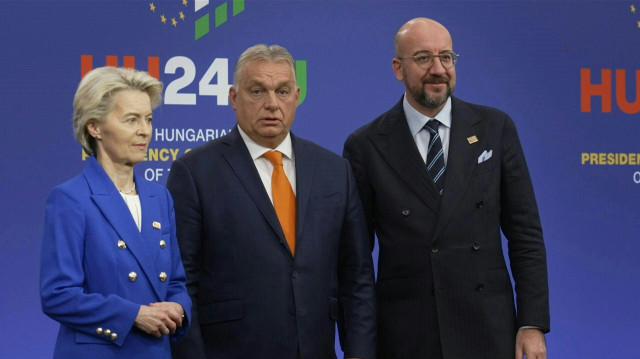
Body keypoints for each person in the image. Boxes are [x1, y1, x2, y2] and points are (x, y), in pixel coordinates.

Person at [343, 18, 550, 359]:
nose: (438, 69)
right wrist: (358, 346)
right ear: (398, 68)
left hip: (487, 328)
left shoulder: (495, 128)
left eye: (447, 57)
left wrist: (532, 323)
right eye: (423, 58)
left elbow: (526, 235)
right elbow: (356, 262)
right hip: (407, 334)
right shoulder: (365, 145)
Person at [167, 44, 376, 359]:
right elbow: (182, 283)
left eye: (282, 91)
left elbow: (357, 275)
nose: (272, 104)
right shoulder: (195, 171)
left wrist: (359, 353)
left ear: (297, 96)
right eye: (257, 91)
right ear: (234, 98)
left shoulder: (335, 170)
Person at [40, 66, 192, 359]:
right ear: (94, 127)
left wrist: (179, 308)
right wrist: (132, 315)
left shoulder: (159, 197)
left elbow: (175, 282)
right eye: (131, 120)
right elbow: (57, 295)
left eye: (148, 119)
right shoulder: (70, 199)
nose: (145, 130)